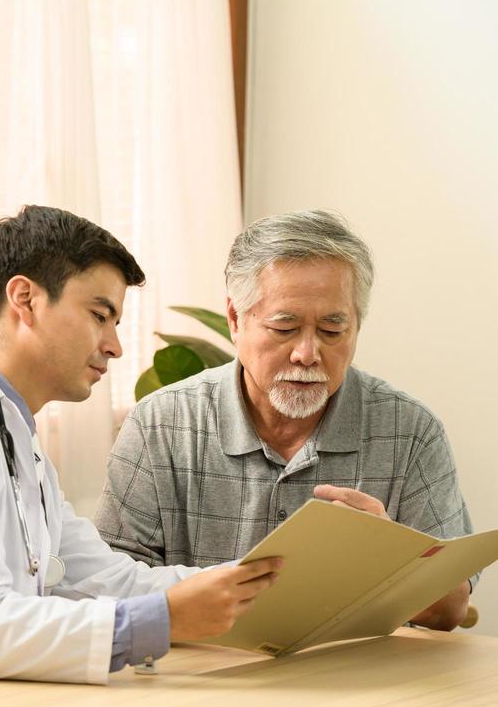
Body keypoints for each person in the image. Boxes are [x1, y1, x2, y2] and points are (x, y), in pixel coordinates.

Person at [0, 206, 281, 700]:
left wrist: (275, 580)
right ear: (25, 299)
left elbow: (106, 579)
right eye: (100, 316)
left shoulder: (13, 439)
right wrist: (164, 619)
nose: (114, 347)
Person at [95, 209, 474, 633]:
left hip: (352, 679)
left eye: (332, 330)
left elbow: (451, 611)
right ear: (235, 320)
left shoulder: (410, 431)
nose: (307, 353)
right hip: (203, 678)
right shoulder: (160, 425)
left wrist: (391, 555)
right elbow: (107, 586)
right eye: (285, 327)